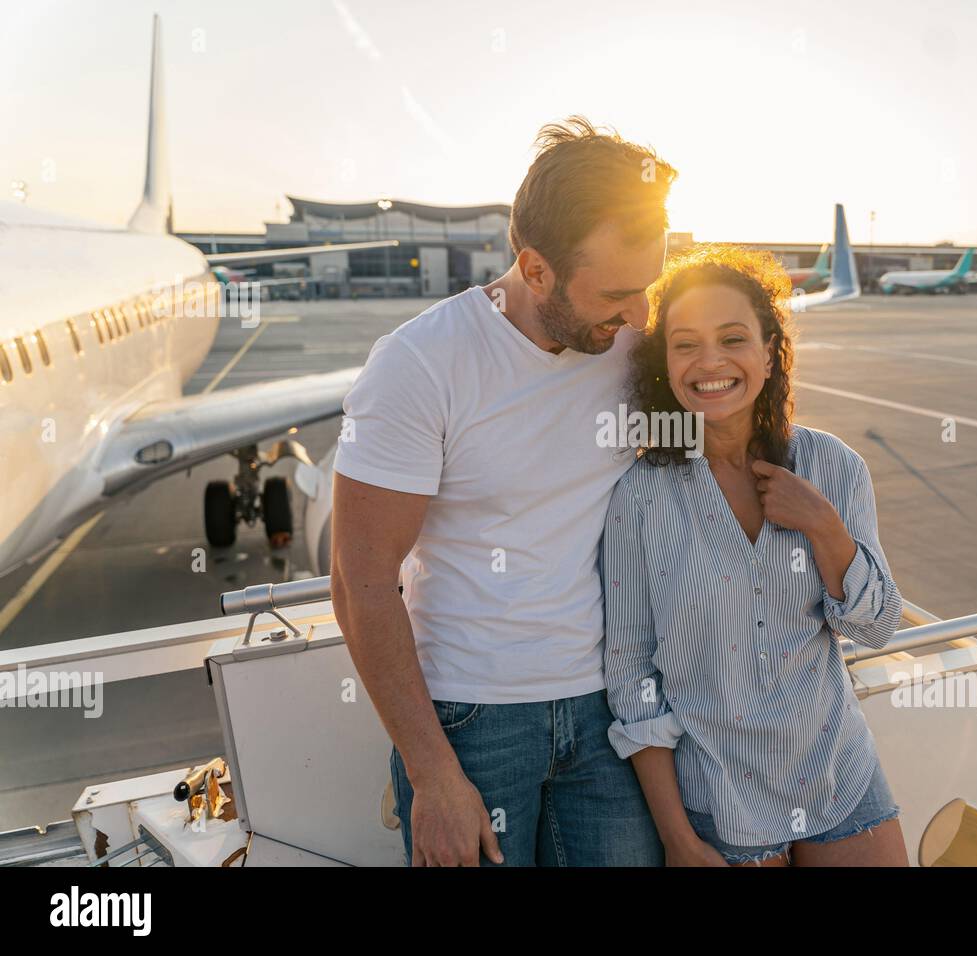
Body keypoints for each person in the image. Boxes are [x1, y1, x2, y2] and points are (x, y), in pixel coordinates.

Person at [329, 117, 676, 866]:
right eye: (617, 295)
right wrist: (432, 775)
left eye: (648, 288)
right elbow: (359, 581)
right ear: (536, 268)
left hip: (612, 710)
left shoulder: (628, 344)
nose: (640, 318)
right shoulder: (419, 366)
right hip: (469, 719)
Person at [602, 244, 909, 866]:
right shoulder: (638, 497)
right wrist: (677, 839)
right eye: (686, 343)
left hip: (838, 777)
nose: (710, 361)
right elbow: (634, 680)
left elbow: (876, 627)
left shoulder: (833, 467)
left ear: (769, 353)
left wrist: (823, 524)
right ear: (665, 362)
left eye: (733, 337)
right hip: (720, 799)